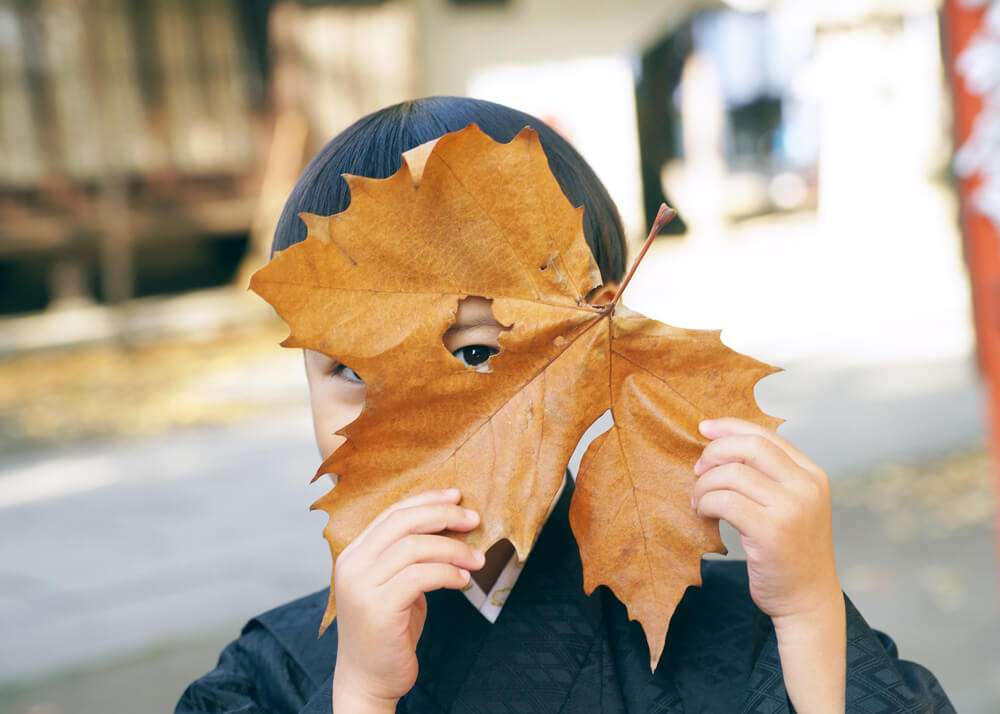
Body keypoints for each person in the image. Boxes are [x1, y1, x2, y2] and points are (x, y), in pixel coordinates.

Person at [176, 96, 955, 713]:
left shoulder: (734, 623)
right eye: (346, 368)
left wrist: (810, 613)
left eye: (475, 352)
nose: (399, 412)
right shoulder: (271, 674)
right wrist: (359, 696)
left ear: (592, 350)